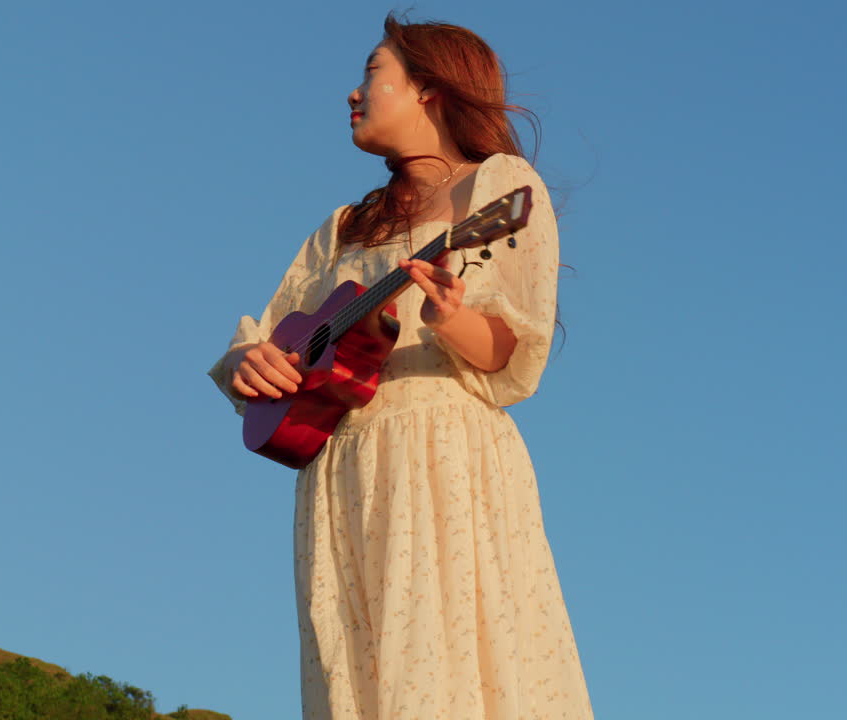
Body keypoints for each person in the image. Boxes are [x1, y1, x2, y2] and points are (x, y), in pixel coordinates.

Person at [206, 13, 593, 720]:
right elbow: (267, 335)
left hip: (440, 455)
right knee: (356, 679)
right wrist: (246, 363)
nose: (352, 94)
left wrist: (452, 319)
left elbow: (511, 355)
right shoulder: (342, 227)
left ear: (431, 90)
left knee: (448, 671)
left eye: (371, 75)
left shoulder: (499, 187)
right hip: (338, 471)